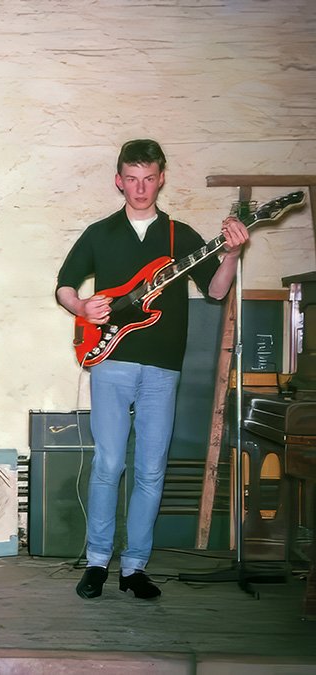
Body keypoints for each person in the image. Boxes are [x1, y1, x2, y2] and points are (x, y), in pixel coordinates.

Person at [56, 139, 249, 600]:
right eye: (132, 178)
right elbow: (64, 285)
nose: (140, 187)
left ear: (161, 178)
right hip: (110, 360)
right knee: (108, 463)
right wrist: (81, 305)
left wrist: (232, 254)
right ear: (118, 180)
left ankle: (135, 567)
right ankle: (99, 561)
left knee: (151, 469)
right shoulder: (99, 232)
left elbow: (217, 292)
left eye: (149, 178)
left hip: (164, 367)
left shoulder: (180, 235)